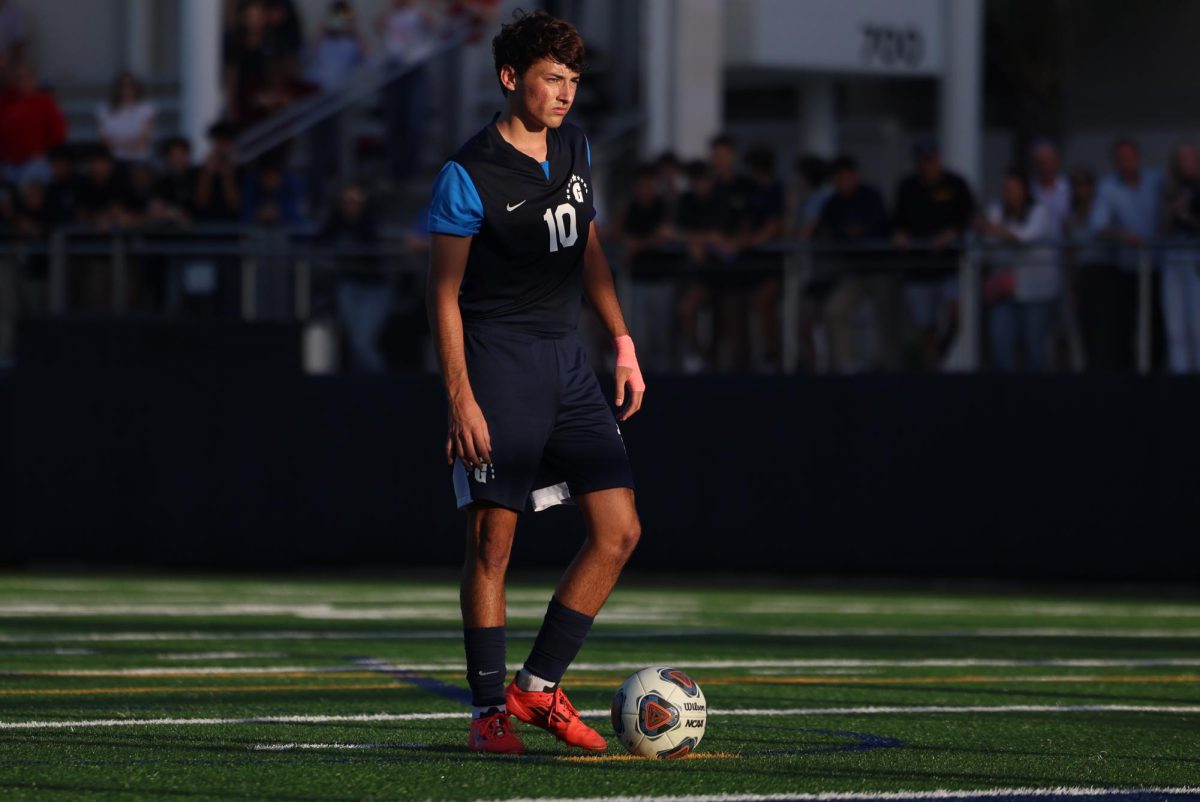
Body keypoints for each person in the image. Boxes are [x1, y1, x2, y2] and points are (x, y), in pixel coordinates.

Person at [425, 10, 643, 755]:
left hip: (569, 363)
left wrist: (621, 341)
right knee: (493, 544)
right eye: (553, 78)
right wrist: (459, 395)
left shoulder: (577, 146)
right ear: (510, 77)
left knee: (618, 532)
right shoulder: (468, 172)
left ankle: (538, 687)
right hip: (498, 364)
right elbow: (443, 294)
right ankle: (489, 709)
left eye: (575, 81)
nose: (566, 94)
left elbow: (589, 252)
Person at [892, 136, 976, 369]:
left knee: (955, 315)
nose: (928, 166)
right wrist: (900, 234)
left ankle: (941, 351)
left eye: (931, 160)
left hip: (947, 266)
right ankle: (934, 368)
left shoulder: (955, 184)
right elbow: (897, 220)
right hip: (918, 269)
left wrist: (952, 233)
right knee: (925, 326)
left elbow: (968, 215)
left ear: (938, 160)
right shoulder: (907, 187)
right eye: (923, 161)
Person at [1081, 138, 1163, 373]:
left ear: (1138, 158)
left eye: (1130, 158)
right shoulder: (1108, 187)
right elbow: (1098, 227)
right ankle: (1128, 376)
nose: (1126, 163)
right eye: (1121, 159)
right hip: (1125, 268)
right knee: (1124, 325)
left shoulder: (1156, 181)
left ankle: (1157, 372)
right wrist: (1124, 236)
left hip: (1157, 266)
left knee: (1156, 325)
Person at [816, 155, 897, 373]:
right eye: (838, 178)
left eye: (846, 176)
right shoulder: (833, 203)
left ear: (855, 176)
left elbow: (878, 226)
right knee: (834, 310)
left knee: (886, 315)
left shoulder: (871, 196)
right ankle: (846, 368)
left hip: (881, 269)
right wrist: (848, 232)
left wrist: (856, 231)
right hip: (856, 271)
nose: (842, 182)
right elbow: (828, 231)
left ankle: (890, 366)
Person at [978, 169, 1061, 372]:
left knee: (1034, 346)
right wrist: (999, 233)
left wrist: (998, 231)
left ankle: (1036, 397)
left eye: (1015, 189)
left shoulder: (1039, 210)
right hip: (1004, 292)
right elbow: (987, 241)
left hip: (1036, 292)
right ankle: (1005, 395)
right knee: (999, 341)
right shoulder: (997, 209)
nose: (1011, 194)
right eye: (1007, 189)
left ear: (1025, 191)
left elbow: (1026, 237)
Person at [618, 163, 674, 371]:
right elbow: (618, 233)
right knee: (638, 337)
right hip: (638, 281)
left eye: (649, 184)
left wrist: (638, 245)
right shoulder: (630, 208)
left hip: (662, 281)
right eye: (641, 184)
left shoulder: (663, 207)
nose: (645, 188)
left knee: (663, 336)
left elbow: (666, 236)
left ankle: (667, 380)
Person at [1160, 143, 1200, 373]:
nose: (1185, 163)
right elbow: (1161, 227)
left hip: (1196, 255)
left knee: (1197, 324)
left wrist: (1187, 214)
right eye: (1181, 159)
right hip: (1174, 255)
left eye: (1190, 158)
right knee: (1175, 325)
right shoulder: (1171, 191)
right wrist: (1174, 209)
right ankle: (1180, 373)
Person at [0, 61, 67, 187]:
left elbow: (59, 133)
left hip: (34, 161)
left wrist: (45, 154)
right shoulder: (5, 102)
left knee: (34, 176)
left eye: (27, 77)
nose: (22, 81)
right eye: (18, 78)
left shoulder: (44, 102)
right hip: (8, 162)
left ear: (33, 79)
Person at [96, 72, 157, 167]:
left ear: (136, 88)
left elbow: (144, 140)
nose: (126, 90)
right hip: (113, 161)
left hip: (139, 161)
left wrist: (119, 144)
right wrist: (128, 144)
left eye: (130, 86)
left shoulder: (146, 109)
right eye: (122, 86)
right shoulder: (105, 110)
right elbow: (104, 140)